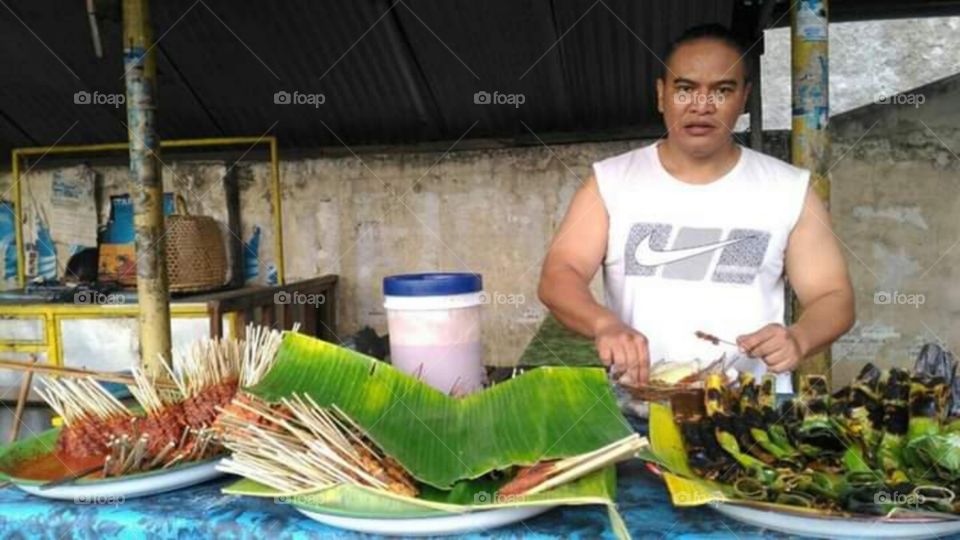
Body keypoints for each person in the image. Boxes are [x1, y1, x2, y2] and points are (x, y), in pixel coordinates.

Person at [537, 24, 854, 392]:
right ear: (661, 95)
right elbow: (559, 274)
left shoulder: (789, 189)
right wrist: (603, 324)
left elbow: (834, 296)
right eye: (685, 89)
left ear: (744, 98)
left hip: (748, 416)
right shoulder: (610, 182)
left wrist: (799, 337)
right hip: (637, 410)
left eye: (722, 90)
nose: (701, 105)